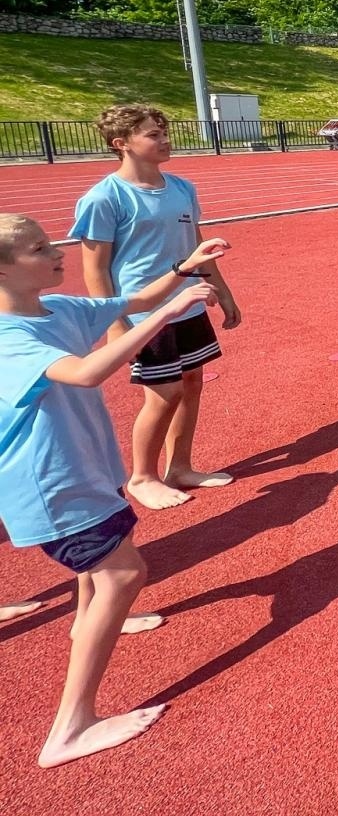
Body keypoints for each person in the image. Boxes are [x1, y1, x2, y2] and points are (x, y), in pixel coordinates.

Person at [0, 212, 230, 766]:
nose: (56, 250)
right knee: (123, 573)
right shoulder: (9, 338)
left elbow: (131, 299)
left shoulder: (61, 308)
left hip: (84, 468)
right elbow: (83, 372)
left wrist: (182, 269)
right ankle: (71, 728)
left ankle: (88, 620)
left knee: (99, 570)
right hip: (53, 483)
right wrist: (168, 314)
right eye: (37, 248)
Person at [69, 105, 242, 511]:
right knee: (163, 394)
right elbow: (95, 270)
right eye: (152, 134)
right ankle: (142, 476)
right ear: (121, 144)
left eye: (164, 131)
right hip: (144, 316)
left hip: (188, 305)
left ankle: (179, 466)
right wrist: (115, 325)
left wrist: (224, 291)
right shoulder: (104, 198)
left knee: (192, 384)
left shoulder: (182, 187)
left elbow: (196, 248)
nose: (165, 139)